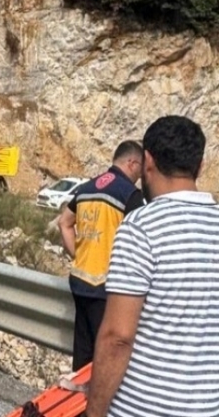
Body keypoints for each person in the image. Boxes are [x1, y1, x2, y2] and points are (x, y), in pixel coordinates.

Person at [87, 115, 219, 417]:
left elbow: (117, 338)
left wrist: (94, 412)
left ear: (148, 161)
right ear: (200, 166)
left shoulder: (141, 228)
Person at [57, 141, 144, 373]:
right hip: (106, 286)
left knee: (83, 354)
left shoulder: (87, 187)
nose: (140, 176)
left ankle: (77, 407)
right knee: (105, 357)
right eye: (140, 170)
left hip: (79, 280)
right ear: (132, 163)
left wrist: (79, 253)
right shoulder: (130, 194)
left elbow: (64, 223)